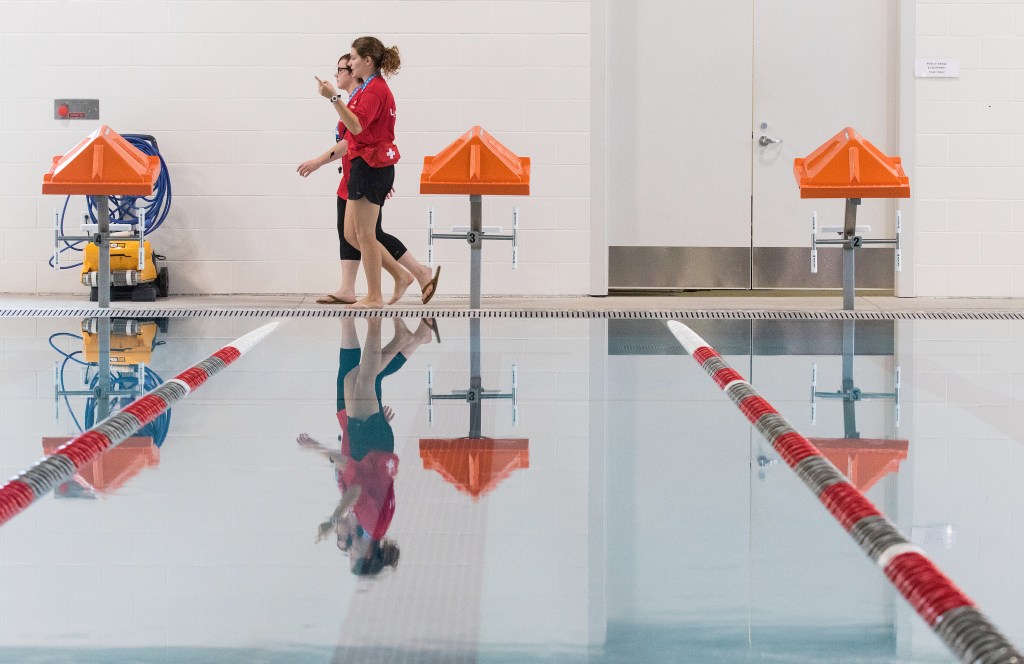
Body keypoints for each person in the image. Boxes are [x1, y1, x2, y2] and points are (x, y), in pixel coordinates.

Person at [297, 316, 437, 575]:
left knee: (355, 379)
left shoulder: (374, 526)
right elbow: (356, 485)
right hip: (371, 447)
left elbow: (353, 486)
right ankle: (377, 322)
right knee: (364, 379)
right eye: (354, 555)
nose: (351, 550)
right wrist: (318, 450)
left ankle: (403, 339)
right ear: (369, 554)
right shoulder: (372, 525)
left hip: (372, 449)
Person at [300, 54, 440, 306]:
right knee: (353, 234)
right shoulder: (362, 96)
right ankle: (382, 279)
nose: (340, 72)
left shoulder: (369, 93)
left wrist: (319, 161)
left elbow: (355, 135)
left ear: (360, 65)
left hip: (365, 169)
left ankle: (404, 277)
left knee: (366, 234)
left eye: (345, 65)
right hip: (360, 169)